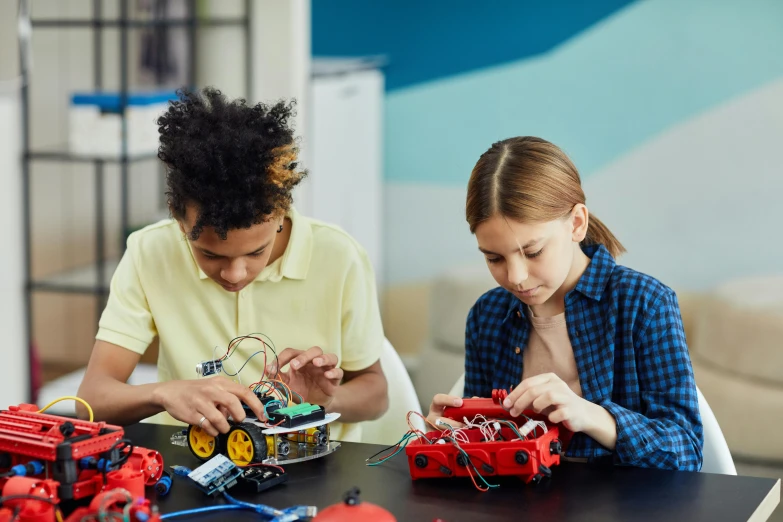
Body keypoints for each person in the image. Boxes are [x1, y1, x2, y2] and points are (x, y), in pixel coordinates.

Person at [76, 87, 388, 442]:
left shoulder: (339, 256)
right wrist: (165, 392)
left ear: (280, 214)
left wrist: (318, 402)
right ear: (179, 222)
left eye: (257, 252)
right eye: (210, 254)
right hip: (190, 463)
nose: (235, 274)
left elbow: (377, 394)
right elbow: (92, 400)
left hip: (312, 466)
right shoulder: (150, 251)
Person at [426, 136, 703, 470]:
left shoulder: (645, 304)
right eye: (494, 258)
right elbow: (486, 455)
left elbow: (686, 451)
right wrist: (450, 440)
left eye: (532, 252)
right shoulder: (487, 316)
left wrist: (593, 416)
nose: (516, 276)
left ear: (576, 223)